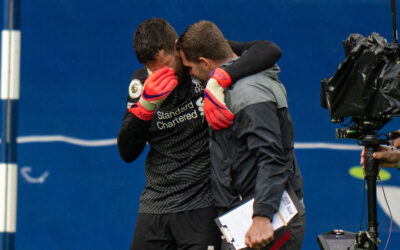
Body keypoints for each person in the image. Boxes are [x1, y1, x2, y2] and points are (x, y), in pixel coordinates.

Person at [117, 18, 282, 250]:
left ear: (177, 47)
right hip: (155, 204)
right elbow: (127, 152)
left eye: (165, 66)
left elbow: (269, 50)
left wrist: (219, 80)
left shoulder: (198, 65)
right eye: (152, 69)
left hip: (201, 203)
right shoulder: (142, 83)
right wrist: (144, 108)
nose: (159, 74)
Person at [176, 20, 306, 250]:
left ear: (205, 63)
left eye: (189, 68)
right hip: (246, 218)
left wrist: (262, 217)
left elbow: (272, 158)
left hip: (264, 226)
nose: (190, 75)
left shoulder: (246, 92)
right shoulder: (237, 85)